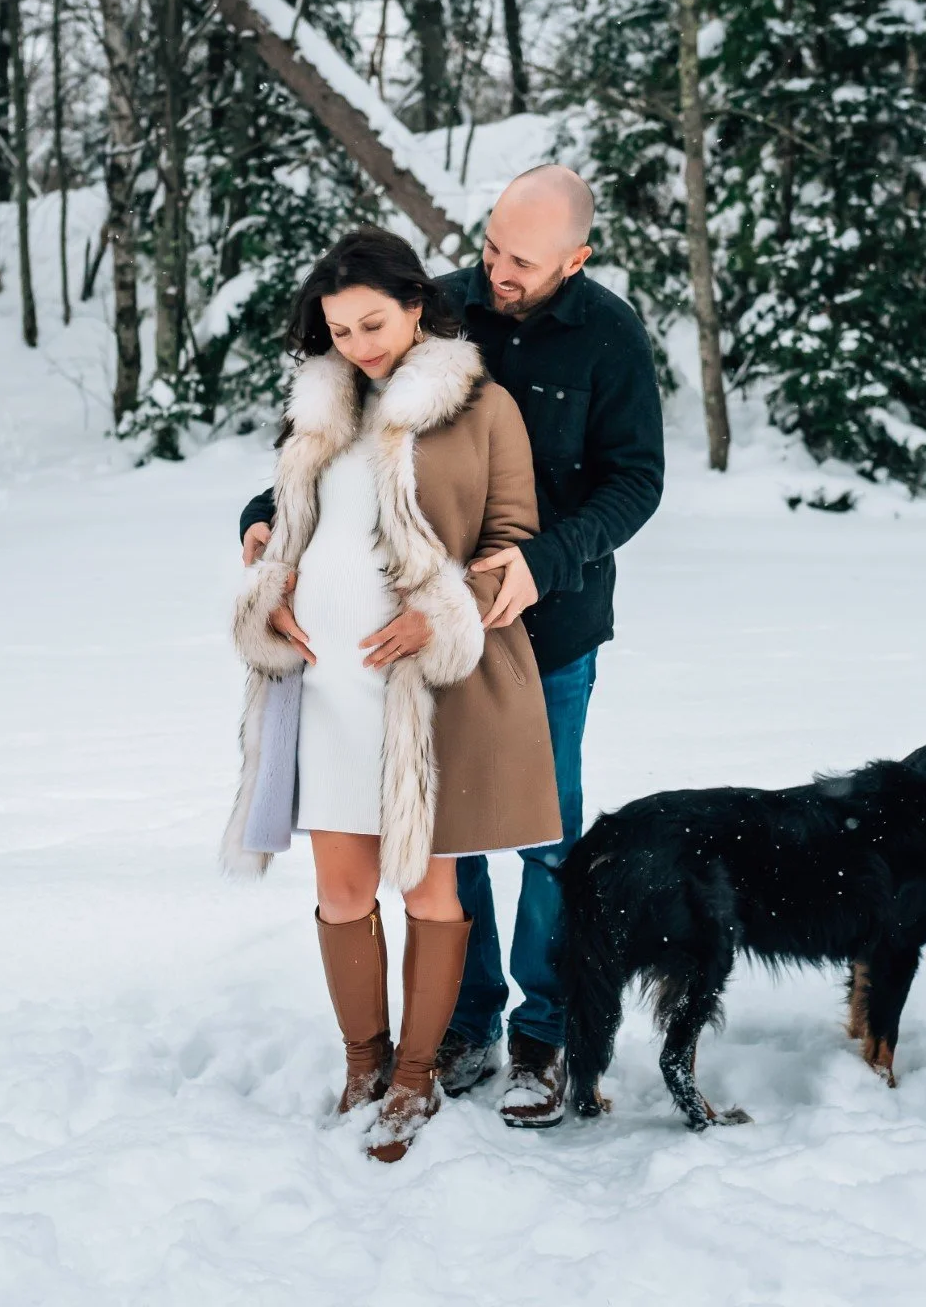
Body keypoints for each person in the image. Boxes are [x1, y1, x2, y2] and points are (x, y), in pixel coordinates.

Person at [242, 166, 665, 1129]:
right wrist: (261, 521)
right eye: (489, 249)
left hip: (543, 626)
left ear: (575, 258)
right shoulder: (438, 312)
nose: (496, 270)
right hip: (412, 643)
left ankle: (543, 1038)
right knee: (448, 839)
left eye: (521, 260)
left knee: (547, 844)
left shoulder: (607, 336)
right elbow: (337, 446)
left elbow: (634, 481)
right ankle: (463, 1027)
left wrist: (543, 560)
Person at [226, 226, 561, 1163]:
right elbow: (288, 524)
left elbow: (512, 544)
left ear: (416, 306)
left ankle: (417, 1073)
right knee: (340, 889)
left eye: (373, 322)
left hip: (420, 686)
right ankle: (363, 1061)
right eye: (339, 331)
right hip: (324, 681)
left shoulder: (480, 406)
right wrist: (270, 582)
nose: (360, 344)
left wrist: (442, 615)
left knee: (427, 883)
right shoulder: (319, 412)